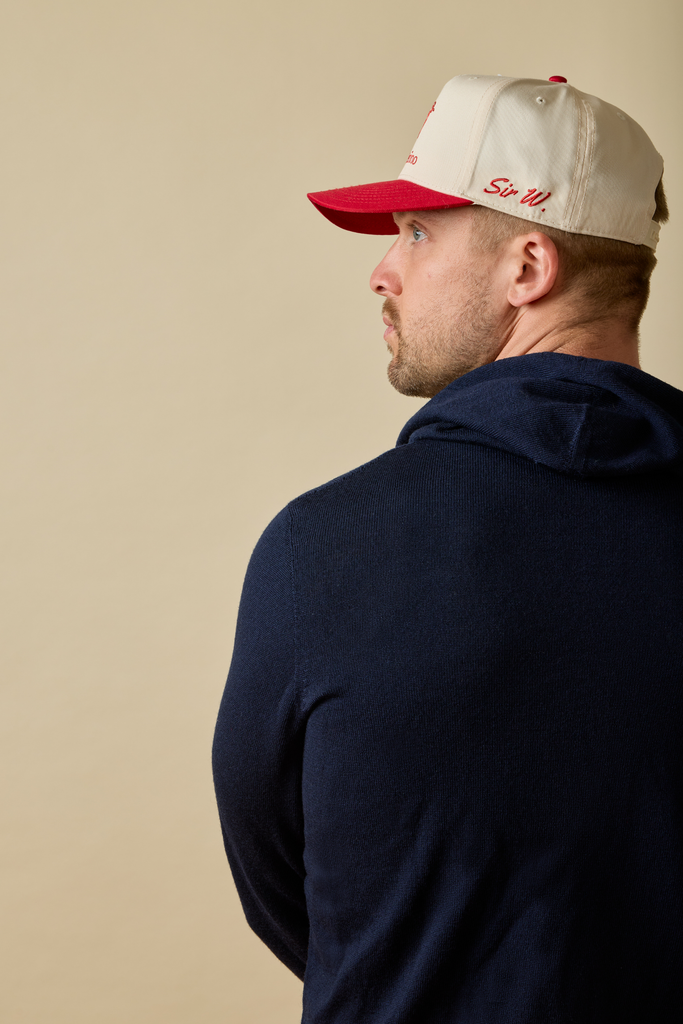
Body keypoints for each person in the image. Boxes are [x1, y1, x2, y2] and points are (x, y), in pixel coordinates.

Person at [212, 74, 683, 1023]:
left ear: (527, 268)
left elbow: (284, 890)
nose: (383, 271)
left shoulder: (325, 546)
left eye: (419, 233)